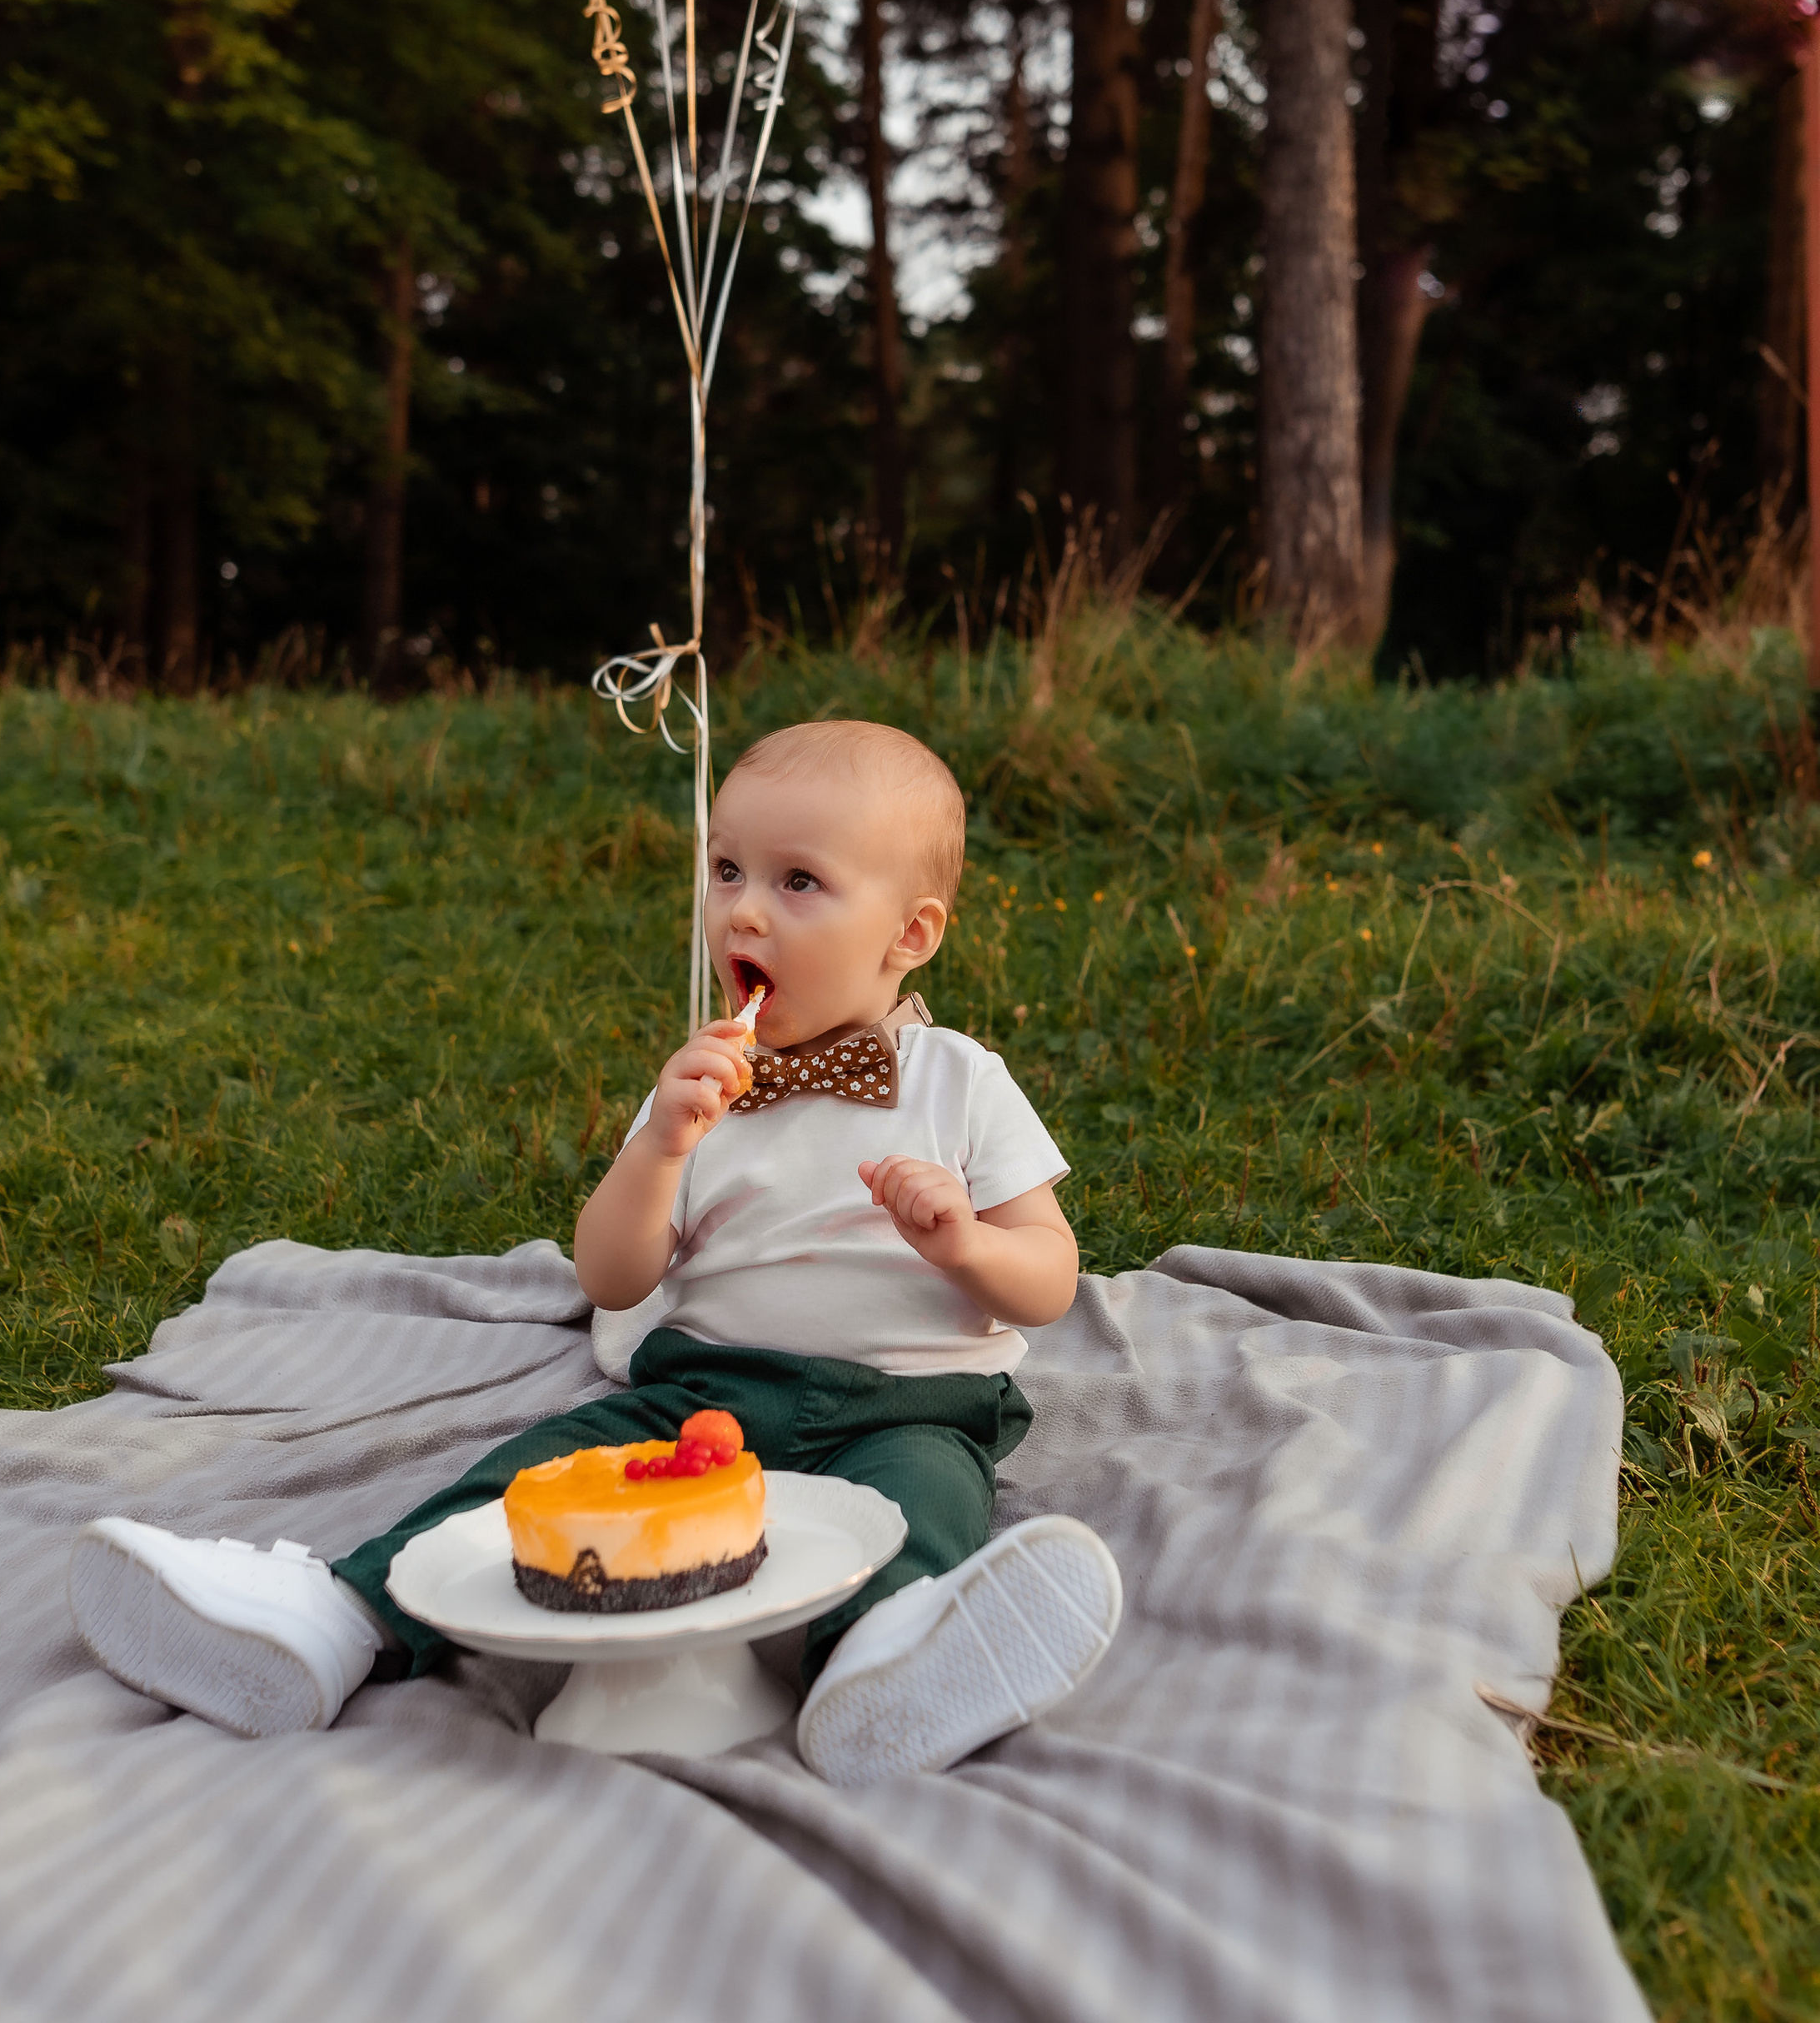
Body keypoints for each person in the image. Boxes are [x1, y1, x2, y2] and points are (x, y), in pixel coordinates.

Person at [68, 719, 1121, 1786]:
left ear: (910, 935)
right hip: (704, 1392)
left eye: (799, 882)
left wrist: (968, 1245)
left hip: (907, 1405)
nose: (743, 908)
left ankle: (884, 1663)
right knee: (538, 1480)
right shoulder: (700, 1090)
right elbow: (614, 1278)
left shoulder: (959, 1082)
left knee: (922, 1509)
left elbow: (1047, 1281)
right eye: (726, 870)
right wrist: (663, 1147)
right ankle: (333, 1619)